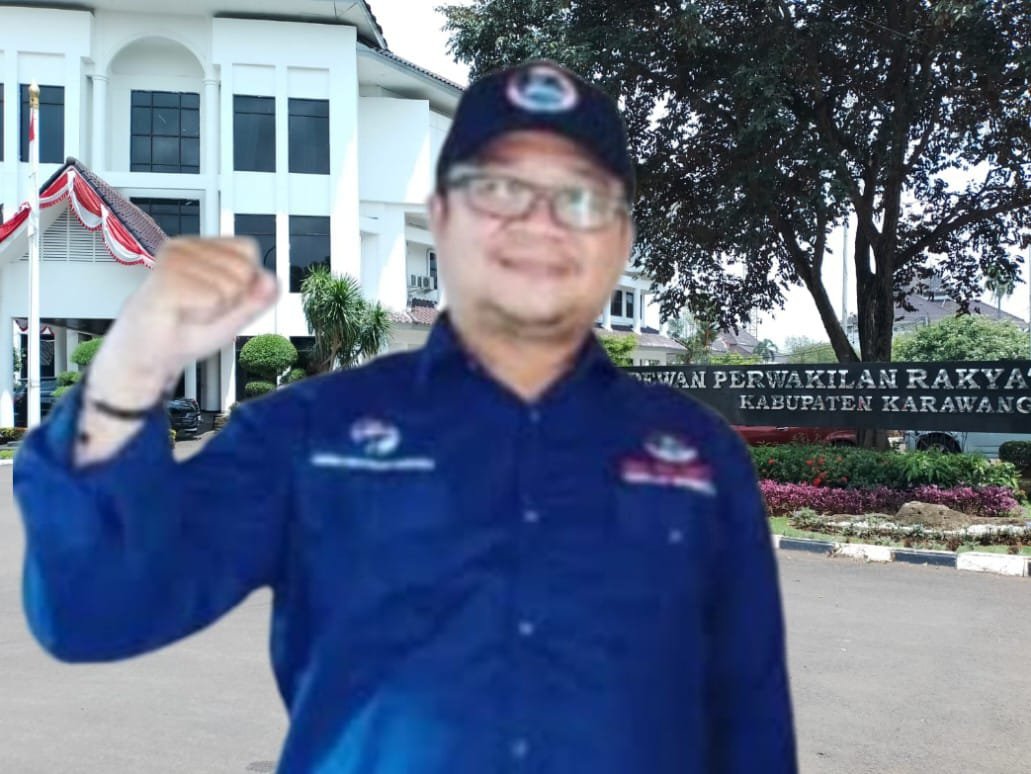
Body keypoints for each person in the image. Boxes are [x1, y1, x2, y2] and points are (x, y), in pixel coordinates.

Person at [14, 60, 797, 772]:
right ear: (440, 216)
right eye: (499, 189)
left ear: (621, 238)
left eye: (581, 197)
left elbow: (752, 729)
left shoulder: (699, 458)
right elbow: (94, 609)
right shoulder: (313, 434)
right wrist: (130, 367)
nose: (540, 221)